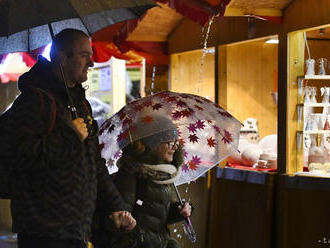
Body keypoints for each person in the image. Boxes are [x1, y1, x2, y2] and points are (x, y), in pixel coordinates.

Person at [4, 29, 136, 248]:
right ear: (63, 58)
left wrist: (116, 205)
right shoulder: (34, 102)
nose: (91, 63)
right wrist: (69, 136)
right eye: (85, 55)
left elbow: (94, 163)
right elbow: (22, 158)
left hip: (77, 229)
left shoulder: (81, 105)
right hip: (43, 231)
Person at [92, 122, 192, 248]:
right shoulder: (130, 175)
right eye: (170, 143)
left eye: (177, 144)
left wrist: (179, 211)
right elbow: (119, 224)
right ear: (153, 144)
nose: (175, 148)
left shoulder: (163, 175)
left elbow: (155, 215)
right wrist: (129, 226)